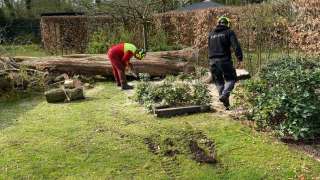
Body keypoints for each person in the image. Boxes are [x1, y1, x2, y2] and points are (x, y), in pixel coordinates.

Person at [208, 16, 243, 110]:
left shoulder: (211, 34)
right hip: (224, 60)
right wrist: (239, 58)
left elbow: (210, 48)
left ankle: (226, 105)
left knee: (219, 82)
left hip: (212, 62)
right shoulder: (229, 32)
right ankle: (224, 95)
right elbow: (236, 46)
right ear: (228, 24)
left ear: (218, 23)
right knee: (231, 79)